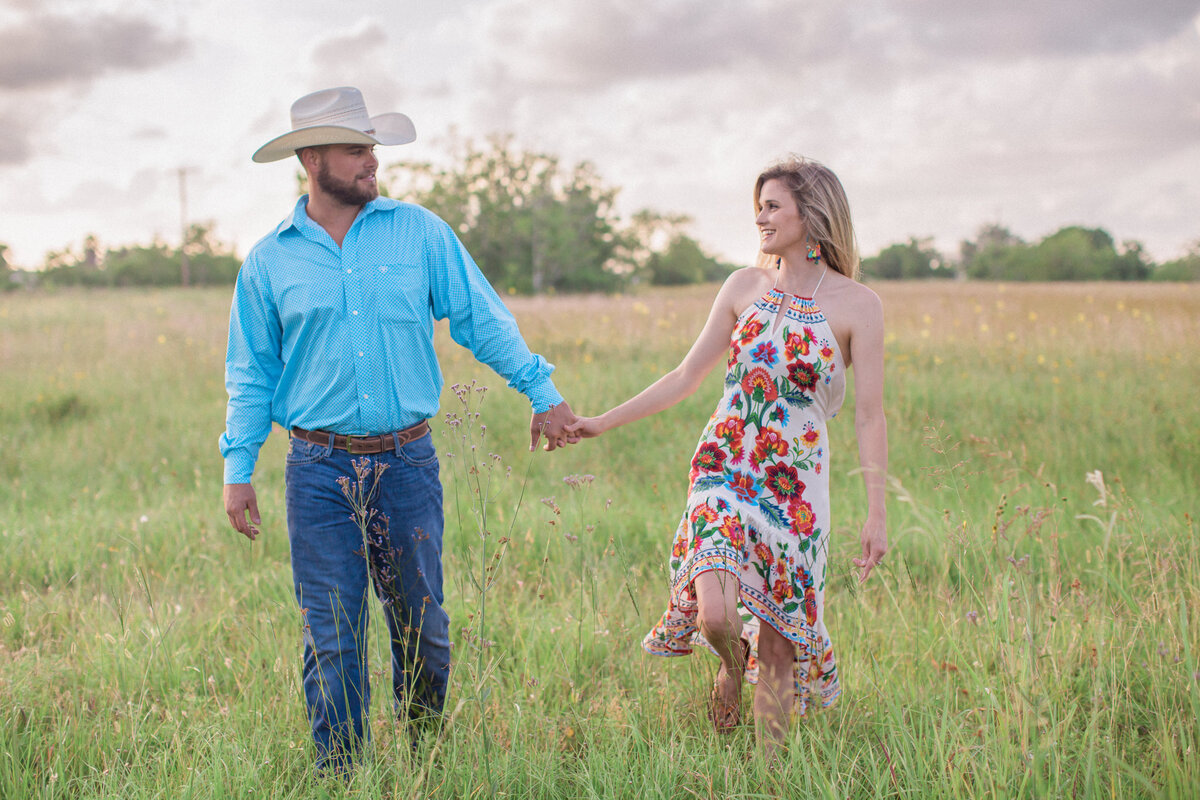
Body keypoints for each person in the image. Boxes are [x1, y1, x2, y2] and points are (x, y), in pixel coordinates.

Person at [220, 86, 578, 772]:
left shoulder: (419, 233)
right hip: (317, 470)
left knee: (424, 626)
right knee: (332, 634)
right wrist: (239, 469)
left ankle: (426, 761)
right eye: (355, 150)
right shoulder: (269, 263)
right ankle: (341, 776)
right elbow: (251, 375)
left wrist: (542, 391)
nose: (370, 162)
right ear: (312, 158)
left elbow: (480, 316)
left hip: (407, 464)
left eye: (372, 149)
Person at [566, 157, 887, 752]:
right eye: (758, 204)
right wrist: (601, 423)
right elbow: (688, 373)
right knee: (715, 613)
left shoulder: (858, 305)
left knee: (780, 643)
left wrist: (877, 512)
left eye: (772, 205)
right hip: (724, 465)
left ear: (811, 213)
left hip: (795, 485)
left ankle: (770, 772)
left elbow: (869, 414)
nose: (759, 216)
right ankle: (728, 661)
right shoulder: (743, 286)